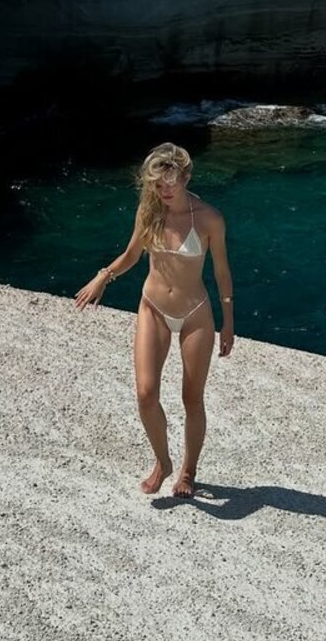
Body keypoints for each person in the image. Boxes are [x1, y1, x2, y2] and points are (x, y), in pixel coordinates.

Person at [74, 142, 234, 498]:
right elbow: (131, 255)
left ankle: (188, 471)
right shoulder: (149, 212)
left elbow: (222, 272)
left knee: (192, 398)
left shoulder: (210, 218)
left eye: (169, 184)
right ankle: (163, 462)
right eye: (157, 185)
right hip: (153, 308)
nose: (163, 191)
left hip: (195, 313)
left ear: (186, 177)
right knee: (146, 394)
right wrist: (104, 276)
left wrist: (228, 322)